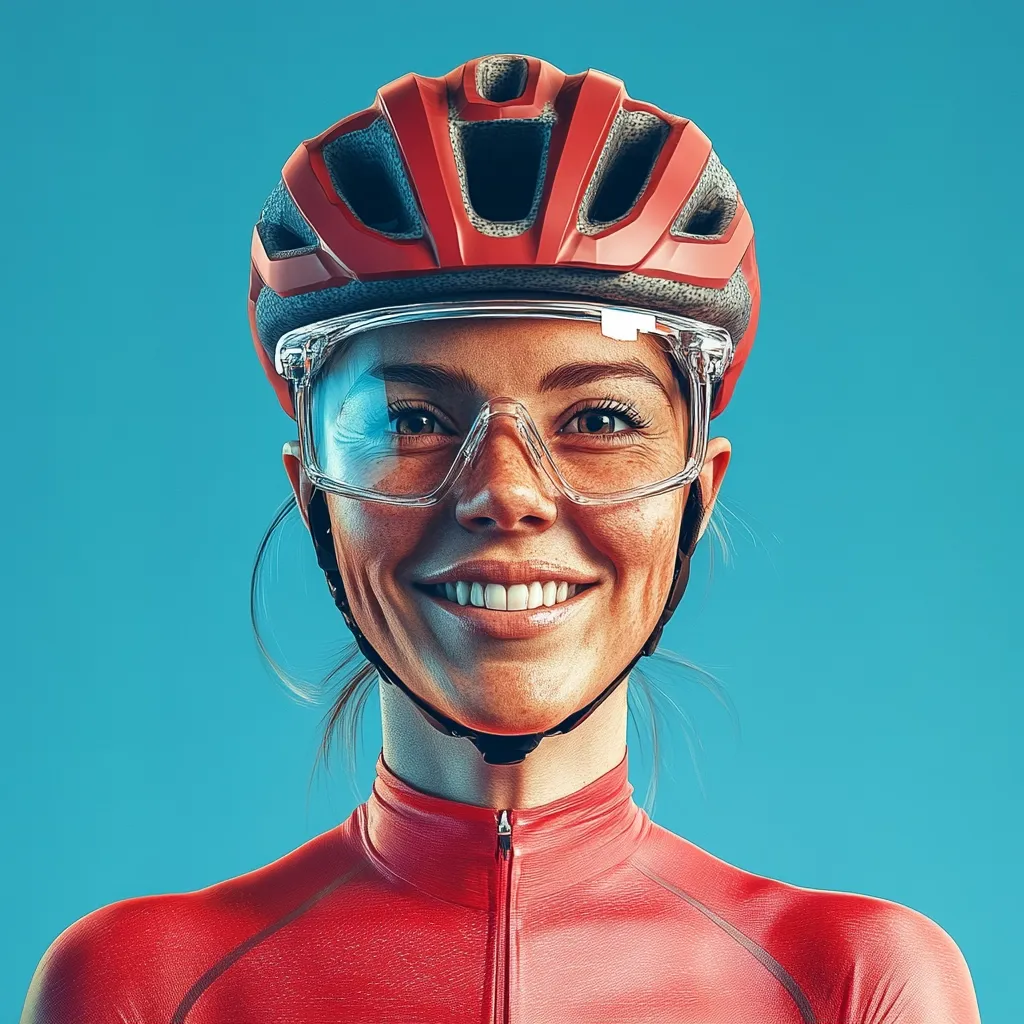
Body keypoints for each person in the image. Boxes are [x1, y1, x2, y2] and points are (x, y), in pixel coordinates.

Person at [21, 54, 980, 1024]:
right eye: (410, 420)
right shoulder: (136, 990)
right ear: (312, 494)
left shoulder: (858, 986)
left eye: (599, 420)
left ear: (698, 492)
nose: (504, 494)